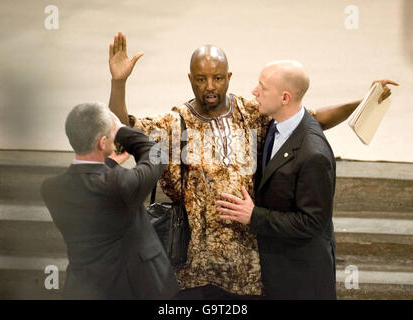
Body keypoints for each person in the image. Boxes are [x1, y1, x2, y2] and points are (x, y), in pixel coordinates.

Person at [107, 32, 395, 299]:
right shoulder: (177, 122)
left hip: (251, 261)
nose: (209, 87)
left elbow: (312, 118)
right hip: (196, 261)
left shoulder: (251, 113)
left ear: (229, 77)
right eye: (201, 79)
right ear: (190, 78)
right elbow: (123, 134)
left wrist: (365, 101)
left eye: (218, 78)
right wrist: (119, 83)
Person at [216, 60, 338, 299]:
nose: (254, 91)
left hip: (301, 279)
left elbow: (312, 223)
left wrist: (254, 216)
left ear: (285, 98)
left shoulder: (313, 154)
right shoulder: (278, 124)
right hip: (280, 268)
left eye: (262, 87)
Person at [41, 102, 179, 299]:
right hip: (130, 289)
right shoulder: (120, 183)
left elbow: (88, 185)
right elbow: (157, 155)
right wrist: (122, 130)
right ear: (102, 142)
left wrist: (109, 162)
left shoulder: (52, 188)